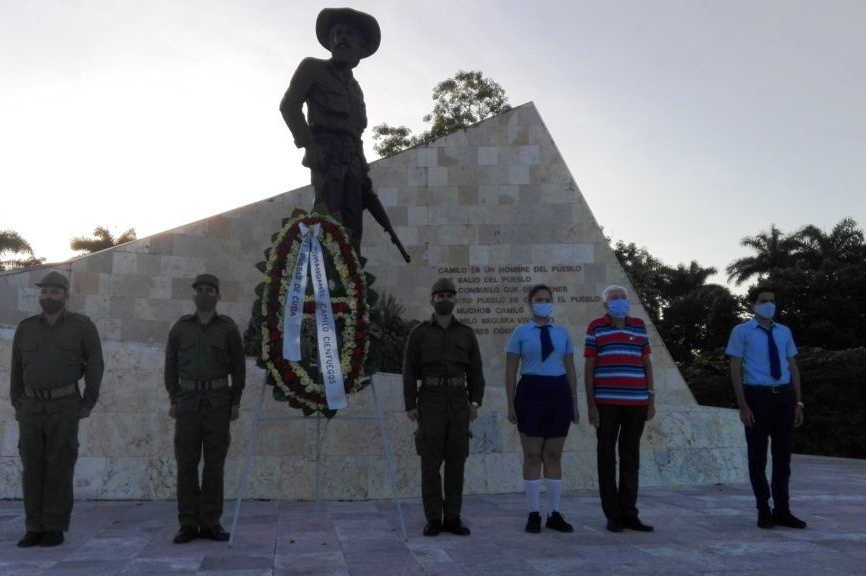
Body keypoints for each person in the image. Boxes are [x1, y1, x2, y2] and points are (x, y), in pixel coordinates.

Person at [280, 7, 409, 262]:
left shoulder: (356, 90)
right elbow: (289, 106)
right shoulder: (312, 68)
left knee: (353, 232)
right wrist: (310, 147)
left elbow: (356, 134)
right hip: (326, 156)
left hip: (353, 163)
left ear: (361, 47)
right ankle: (321, 293)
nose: (341, 38)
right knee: (327, 222)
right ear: (329, 41)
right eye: (337, 33)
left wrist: (363, 172)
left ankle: (351, 291)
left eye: (349, 34)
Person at [10, 270, 104, 548]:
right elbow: (16, 368)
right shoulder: (26, 328)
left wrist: (88, 401)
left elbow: (95, 365)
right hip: (31, 407)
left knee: (59, 467)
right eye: (44, 292)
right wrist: (17, 401)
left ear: (65, 296)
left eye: (53, 292)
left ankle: (54, 527)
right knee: (32, 467)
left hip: (64, 406)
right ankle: (33, 527)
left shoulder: (81, 326)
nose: (47, 296)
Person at [165, 274, 246, 543]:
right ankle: (187, 523)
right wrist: (174, 400)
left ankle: (211, 522)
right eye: (200, 290)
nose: (204, 294)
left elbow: (238, 368)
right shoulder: (180, 328)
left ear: (218, 296)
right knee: (186, 464)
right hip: (187, 403)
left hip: (218, 403)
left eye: (210, 290)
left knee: (214, 465)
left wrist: (235, 402)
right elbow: (170, 367)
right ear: (194, 295)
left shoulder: (227, 328)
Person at [403, 278, 485, 536]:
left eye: (449, 295)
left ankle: (452, 517)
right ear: (432, 299)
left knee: (456, 462)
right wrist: (410, 404)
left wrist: (475, 402)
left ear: (455, 299)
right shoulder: (419, 333)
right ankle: (433, 519)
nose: (444, 299)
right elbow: (408, 372)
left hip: (459, 402)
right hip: (430, 401)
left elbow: (476, 371)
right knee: (430, 463)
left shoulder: (466, 333)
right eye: (440, 295)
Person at [725, 287, 807, 529]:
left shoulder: (784, 331)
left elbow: (792, 366)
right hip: (757, 397)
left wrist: (798, 402)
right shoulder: (742, 331)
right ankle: (763, 509)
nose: (769, 305)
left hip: (783, 397)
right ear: (753, 305)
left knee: (783, 458)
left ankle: (783, 510)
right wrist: (742, 405)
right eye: (763, 301)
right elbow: (735, 367)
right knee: (758, 457)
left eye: (772, 301)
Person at [505, 284, 579, 533]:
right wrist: (510, 402)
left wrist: (574, 402)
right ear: (530, 302)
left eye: (547, 299)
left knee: (554, 455)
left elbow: (570, 369)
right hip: (530, 392)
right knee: (533, 455)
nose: (543, 303)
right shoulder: (520, 332)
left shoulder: (562, 332)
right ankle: (534, 513)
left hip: (558, 393)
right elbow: (510, 371)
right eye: (539, 299)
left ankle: (554, 513)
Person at [584, 284, 655, 533]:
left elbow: (647, 363)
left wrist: (651, 398)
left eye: (623, 298)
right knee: (606, 457)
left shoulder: (638, 326)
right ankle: (612, 515)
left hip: (636, 402)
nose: (619, 302)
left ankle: (629, 513)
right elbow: (589, 367)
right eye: (614, 299)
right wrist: (591, 404)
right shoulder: (596, 327)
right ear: (605, 305)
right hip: (606, 403)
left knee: (630, 458)